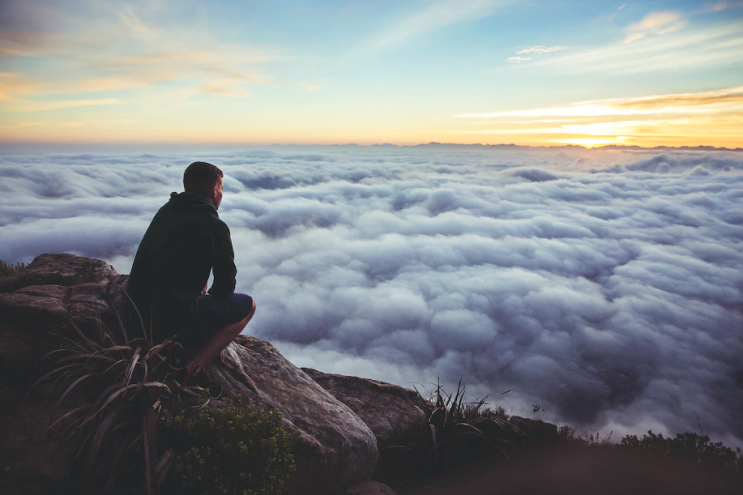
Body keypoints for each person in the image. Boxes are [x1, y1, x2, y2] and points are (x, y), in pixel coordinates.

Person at [126, 161, 255, 378]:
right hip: (170, 322)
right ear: (215, 191)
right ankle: (187, 370)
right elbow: (225, 287)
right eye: (221, 190)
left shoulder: (166, 211)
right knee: (247, 305)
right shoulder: (214, 226)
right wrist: (207, 296)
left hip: (135, 315)